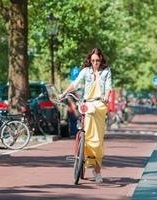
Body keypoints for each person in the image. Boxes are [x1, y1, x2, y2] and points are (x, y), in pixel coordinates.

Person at [60, 47, 112, 183]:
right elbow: (75, 84)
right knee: (87, 133)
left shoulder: (106, 72)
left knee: (98, 140)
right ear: (90, 60)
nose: (95, 63)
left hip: (100, 105)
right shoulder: (85, 71)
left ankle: (97, 171)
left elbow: (108, 88)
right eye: (93, 60)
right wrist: (64, 93)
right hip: (87, 103)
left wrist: (106, 97)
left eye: (97, 60)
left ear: (101, 60)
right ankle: (82, 148)